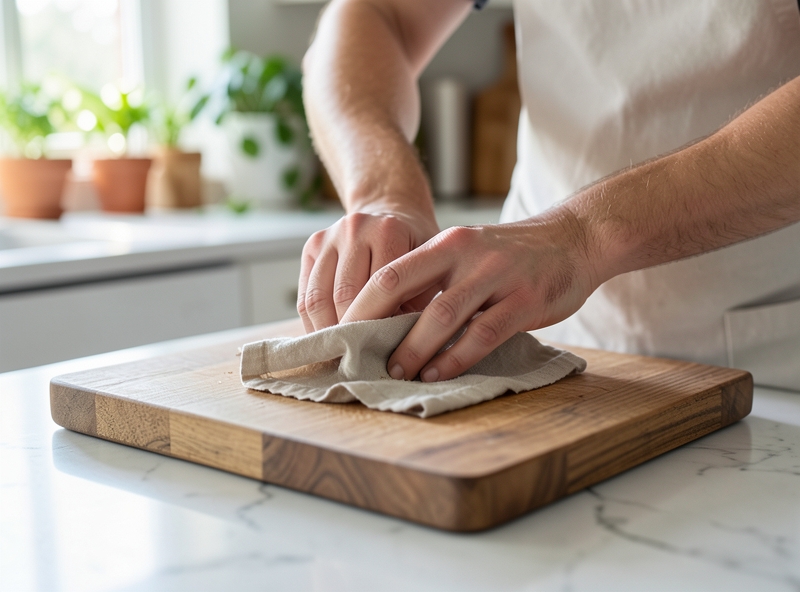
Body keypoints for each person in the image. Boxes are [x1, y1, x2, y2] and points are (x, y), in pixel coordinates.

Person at [298, 0, 800, 385]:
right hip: (533, 335)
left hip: (772, 358)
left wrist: (581, 237)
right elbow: (382, 14)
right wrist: (385, 196)